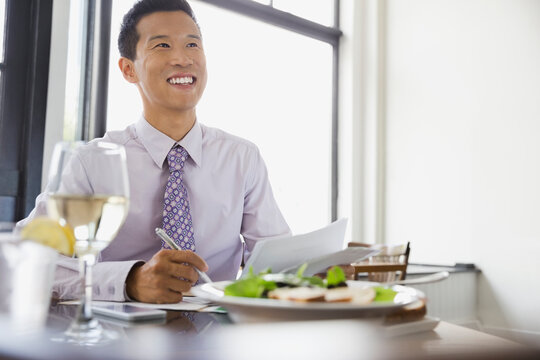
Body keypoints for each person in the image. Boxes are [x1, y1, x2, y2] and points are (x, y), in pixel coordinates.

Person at [17, 0, 290, 304]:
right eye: (162, 45)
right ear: (128, 69)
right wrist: (128, 281)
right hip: (120, 338)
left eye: (192, 44)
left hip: (220, 333)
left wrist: (308, 268)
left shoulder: (243, 158)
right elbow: (27, 257)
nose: (182, 59)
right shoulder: (92, 163)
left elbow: (276, 259)